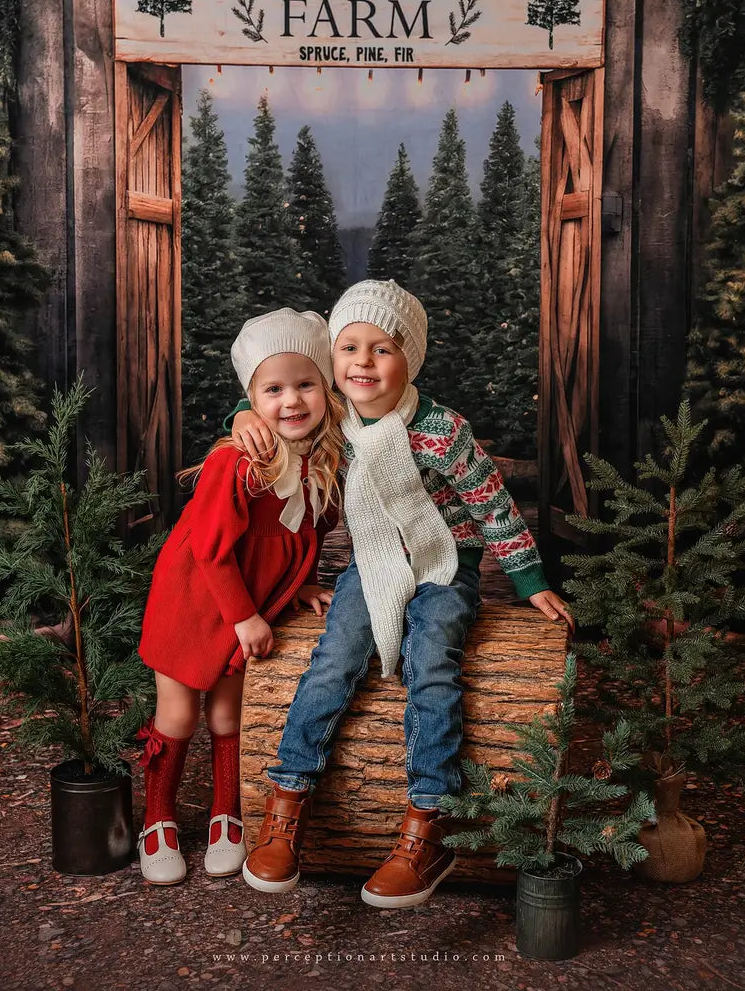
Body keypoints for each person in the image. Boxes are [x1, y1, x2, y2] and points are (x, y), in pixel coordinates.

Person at [231, 280, 574, 908]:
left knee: (433, 659)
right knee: (334, 658)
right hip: (373, 563)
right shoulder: (333, 417)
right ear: (333, 361)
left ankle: (426, 822)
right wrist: (244, 414)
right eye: (350, 348)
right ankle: (288, 802)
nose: (364, 362)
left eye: (382, 348)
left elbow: (493, 507)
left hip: (445, 564)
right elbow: (281, 410)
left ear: (409, 359)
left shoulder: (443, 430)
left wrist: (531, 583)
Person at [136, 308, 343, 886]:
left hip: (250, 606)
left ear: (326, 388)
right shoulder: (238, 461)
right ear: (251, 397)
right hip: (195, 600)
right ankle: (158, 818)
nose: (292, 401)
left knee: (228, 712)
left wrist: (298, 582)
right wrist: (246, 616)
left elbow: (310, 528)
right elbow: (209, 551)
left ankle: (228, 814)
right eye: (272, 389)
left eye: (305, 385)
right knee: (178, 714)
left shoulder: (320, 461)